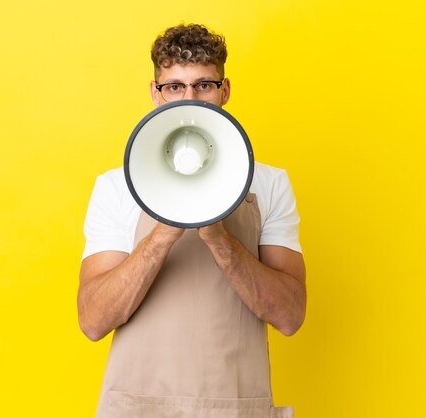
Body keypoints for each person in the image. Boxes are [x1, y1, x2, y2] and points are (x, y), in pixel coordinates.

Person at [77, 23, 307, 418]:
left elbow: (290, 317)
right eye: (174, 86)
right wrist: (164, 231)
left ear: (225, 91)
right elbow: (94, 321)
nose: (189, 99)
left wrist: (220, 239)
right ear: (155, 93)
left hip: (234, 406)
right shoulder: (115, 187)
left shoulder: (269, 184)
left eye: (204, 85)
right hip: (137, 407)